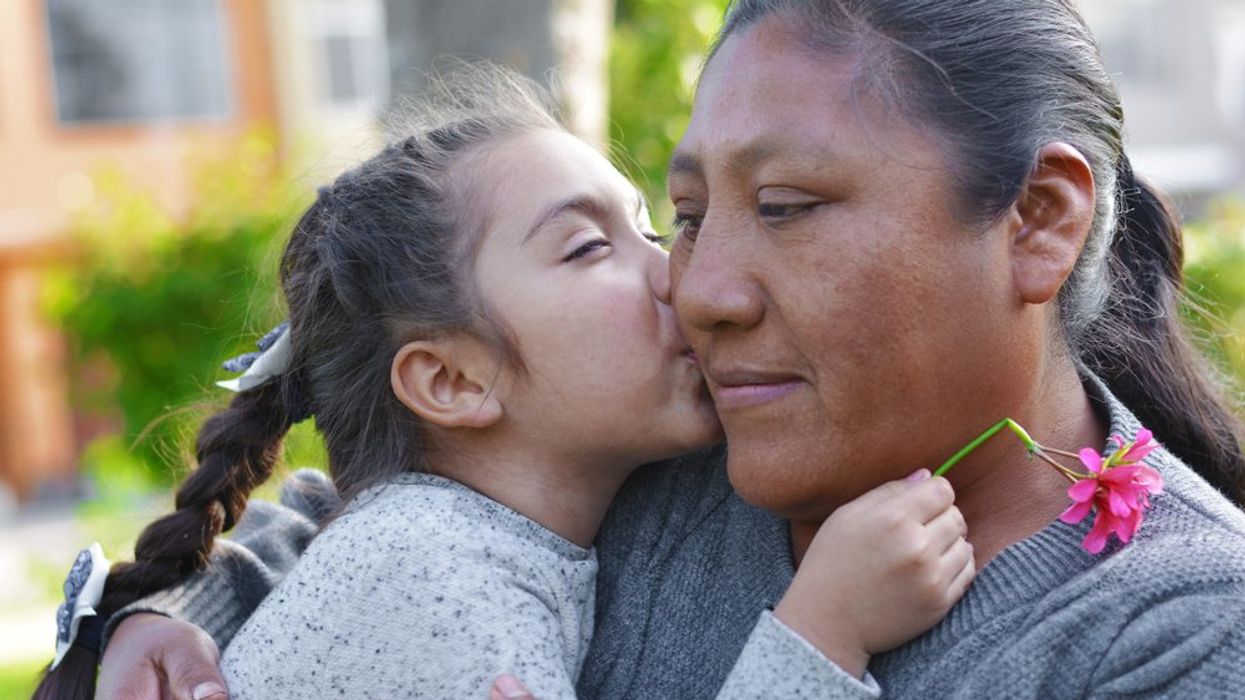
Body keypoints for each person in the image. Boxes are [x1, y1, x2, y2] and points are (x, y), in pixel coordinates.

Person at [91, 0, 1245, 697]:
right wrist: (177, 615)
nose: (698, 290)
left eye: (787, 205)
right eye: (688, 214)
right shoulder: (689, 443)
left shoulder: (1185, 631)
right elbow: (407, 511)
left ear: (1038, 220)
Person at [34, 64, 974, 700]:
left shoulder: (448, 537)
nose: (674, 273)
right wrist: (820, 635)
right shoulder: (431, 577)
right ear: (449, 379)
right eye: (586, 247)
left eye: (652, 228)